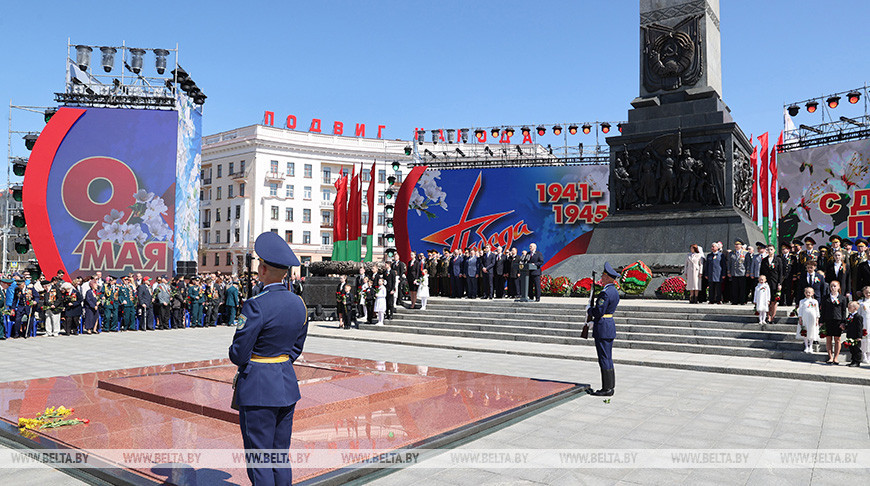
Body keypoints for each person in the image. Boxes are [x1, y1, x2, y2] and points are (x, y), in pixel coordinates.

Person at [229, 231, 307, 486]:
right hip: (285, 383)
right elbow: (296, 348)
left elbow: (238, 352)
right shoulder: (299, 304)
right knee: (279, 455)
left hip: (259, 388)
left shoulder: (256, 305)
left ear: (262, 270)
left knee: (260, 457)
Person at [586, 262, 620, 396]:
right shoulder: (614, 291)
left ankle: (607, 389)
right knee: (608, 358)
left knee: (604, 358)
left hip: (603, 327)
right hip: (608, 325)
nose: (601, 277)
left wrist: (590, 310)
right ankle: (610, 386)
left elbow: (599, 311)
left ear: (607, 277)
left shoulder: (605, 293)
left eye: (603, 275)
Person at [820, 280, 847, 365]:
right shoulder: (825, 297)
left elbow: (843, 311)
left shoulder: (842, 298)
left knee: (837, 339)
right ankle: (830, 357)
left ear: (838, 287)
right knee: (828, 339)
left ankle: (836, 357)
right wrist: (821, 321)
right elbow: (823, 310)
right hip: (828, 320)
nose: (833, 288)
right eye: (831, 286)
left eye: (835, 286)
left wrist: (843, 322)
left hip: (838, 320)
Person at [760, 244, 783, 323]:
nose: (769, 251)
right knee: (767, 301)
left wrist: (780, 283)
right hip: (766, 283)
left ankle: (773, 317)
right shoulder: (764, 260)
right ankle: (767, 316)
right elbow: (761, 272)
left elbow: (780, 273)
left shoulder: (778, 260)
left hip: (775, 282)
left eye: (771, 249)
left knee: (774, 301)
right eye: (768, 250)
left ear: (774, 250)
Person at [796, 287, 820, 354]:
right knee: (805, 332)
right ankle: (806, 346)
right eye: (806, 292)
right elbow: (800, 311)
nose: (808, 294)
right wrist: (800, 319)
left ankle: (811, 346)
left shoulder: (815, 301)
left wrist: (817, 319)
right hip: (805, 318)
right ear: (804, 293)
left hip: (812, 319)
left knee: (812, 331)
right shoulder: (802, 301)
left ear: (812, 293)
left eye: (809, 292)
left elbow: (817, 311)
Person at [727, 239, 748, 305]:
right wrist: (729, 271)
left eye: (738, 244)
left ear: (741, 245)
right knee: (734, 288)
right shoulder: (731, 253)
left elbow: (748, 263)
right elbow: (729, 263)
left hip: (742, 273)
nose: (736, 246)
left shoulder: (745, 253)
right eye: (736, 244)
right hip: (734, 273)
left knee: (742, 288)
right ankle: (735, 301)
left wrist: (748, 272)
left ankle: (742, 301)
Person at [844, 301, 863, 367]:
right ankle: (853, 360)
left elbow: (860, 327)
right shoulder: (850, 315)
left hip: (856, 335)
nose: (848, 307)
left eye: (850, 306)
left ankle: (857, 361)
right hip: (850, 334)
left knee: (856, 349)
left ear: (855, 308)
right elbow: (849, 324)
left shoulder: (858, 317)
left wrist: (859, 336)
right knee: (852, 348)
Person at [859, 286, 870, 364]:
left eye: (869, 292)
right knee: (864, 339)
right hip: (864, 322)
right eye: (866, 293)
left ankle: (869, 355)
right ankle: (864, 355)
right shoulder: (861, 302)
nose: (868, 294)